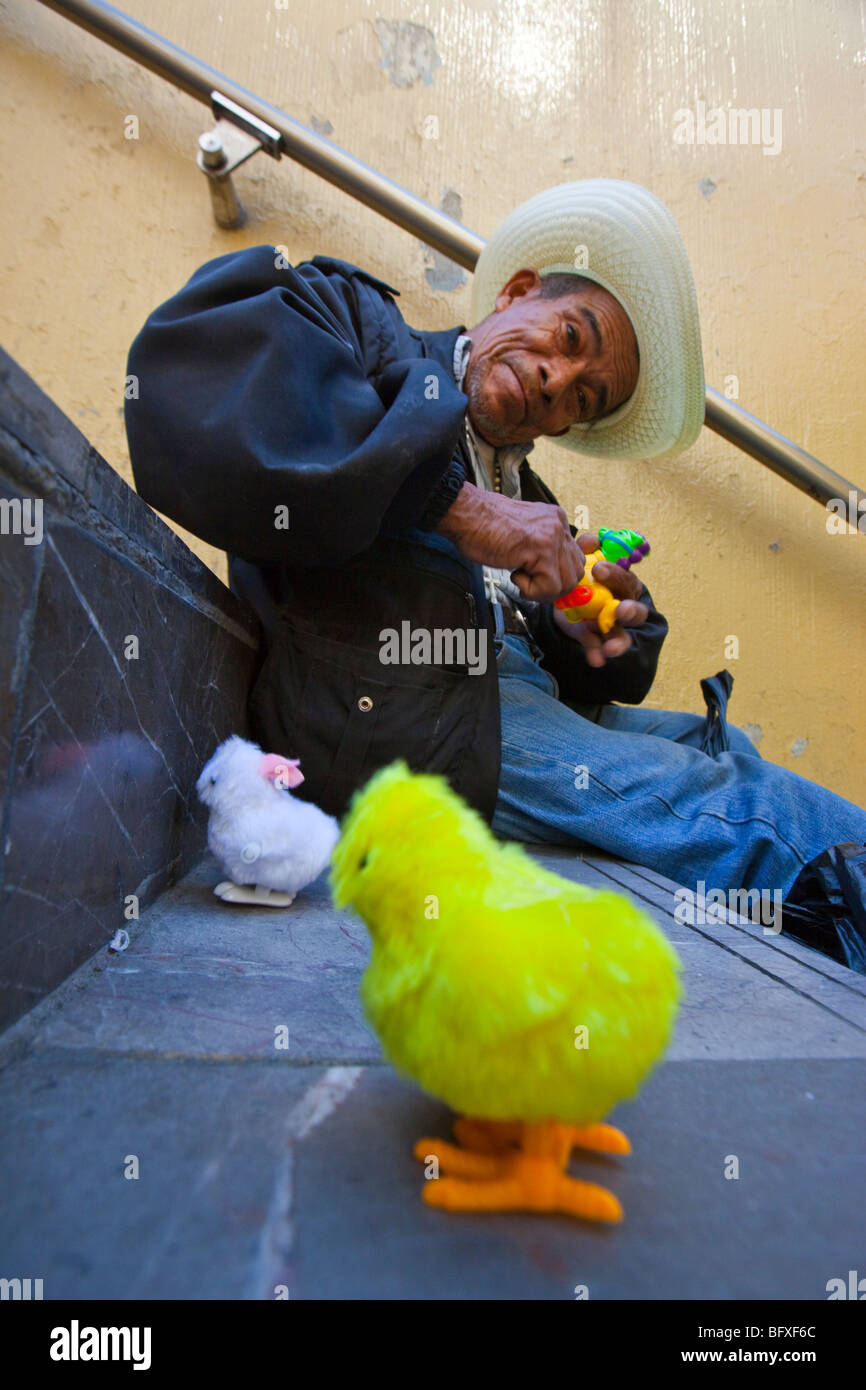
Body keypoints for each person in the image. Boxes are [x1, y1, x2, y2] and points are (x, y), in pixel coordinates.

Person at [124, 178, 866, 956]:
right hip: (405, 724)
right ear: (516, 293)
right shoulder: (367, 331)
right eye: (569, 339)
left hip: (495, 709)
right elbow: (195, 384)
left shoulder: (530, 491)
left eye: (583, 398)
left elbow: (575, 675)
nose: (556, 382)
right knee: (736, 803)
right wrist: (461, 508)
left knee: (721, 744)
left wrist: (589, 629)